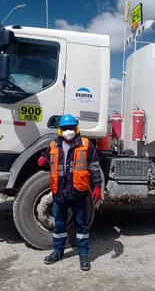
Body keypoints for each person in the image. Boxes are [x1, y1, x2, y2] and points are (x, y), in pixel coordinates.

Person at [37, 114, 102, 271]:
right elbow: (45, 162)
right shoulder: (53, 146)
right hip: (59, 193)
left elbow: (94, 167)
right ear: (60, 130)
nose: (68, 131)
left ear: (77, 128)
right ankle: (57, 252)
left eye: (71, 128)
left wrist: (98, 186)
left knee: (81, 226)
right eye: (65, 128)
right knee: (59, 225)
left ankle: (83, 255)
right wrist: (42, 162)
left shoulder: (86, 145)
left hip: (78, 193)